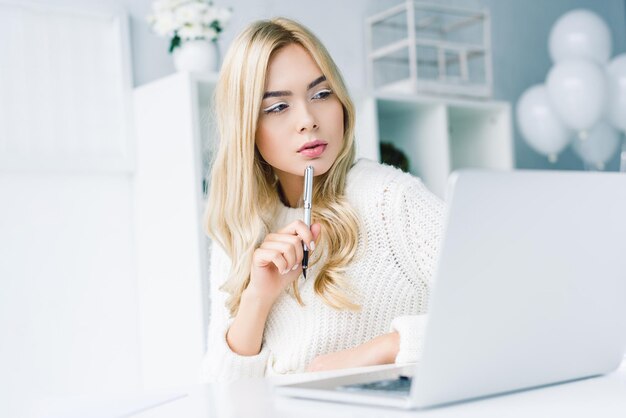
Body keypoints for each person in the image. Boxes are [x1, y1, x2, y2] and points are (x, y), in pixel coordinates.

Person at [200, 17, 444, 382]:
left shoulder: (392, 199)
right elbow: (222, 395)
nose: (308, 120)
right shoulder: (238, 226)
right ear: (246, 127)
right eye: (278, 107)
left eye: (321, 94)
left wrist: (384, 350)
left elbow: (507, 307)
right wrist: (257, 298)